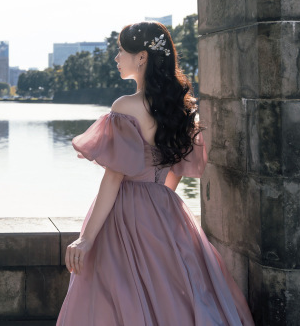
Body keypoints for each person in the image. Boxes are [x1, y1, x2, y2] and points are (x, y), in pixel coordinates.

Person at [57, 21, 254, 326]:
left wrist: (86, 238)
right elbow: (175, 173)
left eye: (121, 51)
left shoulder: (125, 106)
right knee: (175, 295)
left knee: (119, 296)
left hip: (124, 211)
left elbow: (114, 177)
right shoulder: (180, 107)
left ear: (142, 57)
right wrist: (156, 207)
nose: (116, 57)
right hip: (165, 208)